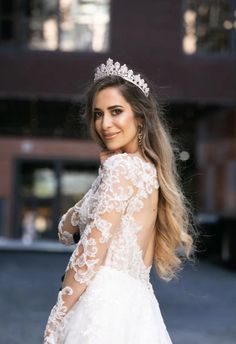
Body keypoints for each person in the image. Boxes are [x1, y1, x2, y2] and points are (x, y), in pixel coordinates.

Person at [43, 58, 197, 344]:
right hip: (138, 308)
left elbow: (89, 252)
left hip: (102, 307)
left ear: (139, 117)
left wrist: (58, 315)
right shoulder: (149, 171)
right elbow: (65, 231)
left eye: (116, 112)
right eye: (98, 114)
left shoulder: (121, 169)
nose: (105, 124)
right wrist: (99, 183)